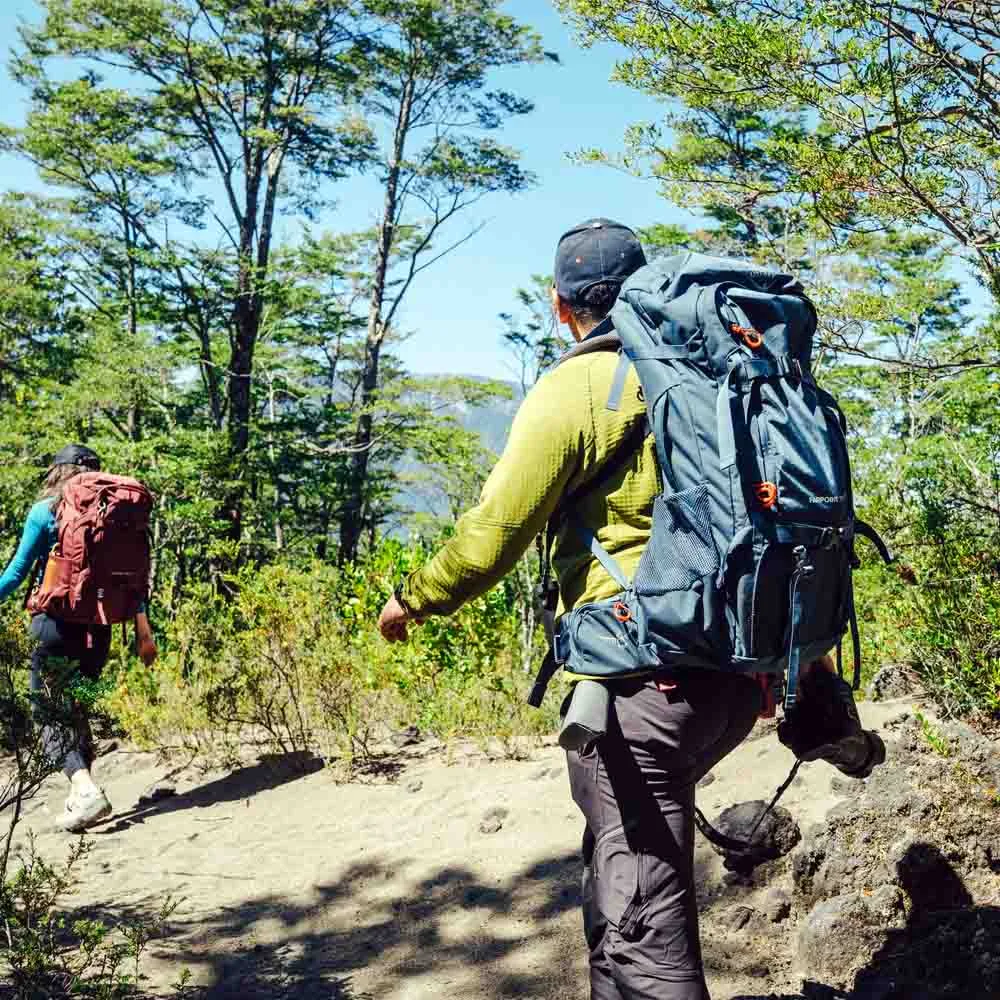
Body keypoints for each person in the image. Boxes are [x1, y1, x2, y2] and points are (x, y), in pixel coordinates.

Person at [377, 219, 766, 999]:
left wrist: (412, 601)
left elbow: (492, 537)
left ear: (562, 309)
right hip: (725, 678)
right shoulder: (715, 375)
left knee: (643, 927)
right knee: (618, 893)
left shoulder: (582, 389)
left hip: (642, 687)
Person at [0, 444, 157, 833]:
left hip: (53, 629)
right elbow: (134, 583)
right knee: (80, 702)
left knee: (47, 711)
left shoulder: (46, 511)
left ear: (57, 472)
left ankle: (84, 788)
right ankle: (79, 796)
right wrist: (144, 632)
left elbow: (17, 572)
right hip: (99, 632)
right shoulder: (115, 512)